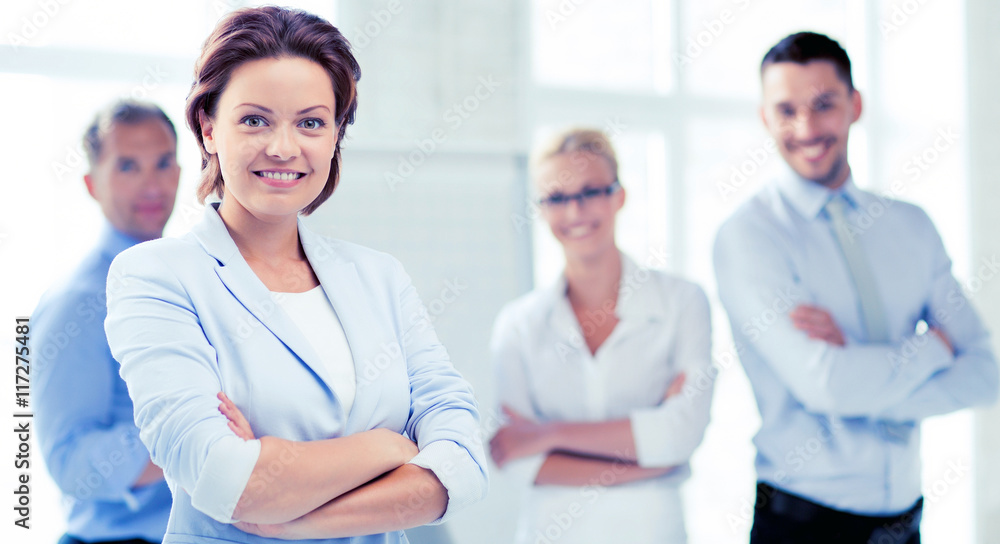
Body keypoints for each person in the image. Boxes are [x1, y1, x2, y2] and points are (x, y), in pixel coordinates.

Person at [103, 7, 487, 543]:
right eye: (255, 119)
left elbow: (465, 465)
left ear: (335, 136)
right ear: (209, 128)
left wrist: (291, 510)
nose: (283, 147)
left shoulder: (379, 277)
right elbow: (223, 481)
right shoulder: (156, 276)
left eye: (310, 122)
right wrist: (391, 447)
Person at [713, 31, 999, 543]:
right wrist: (931, 348)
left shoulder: (911, 226)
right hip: (802, 522)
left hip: (905, 521)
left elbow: (985, 371)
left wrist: (862, 382)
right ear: (764, 118)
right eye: (786, 110)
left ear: (856, 105)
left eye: (824, 105)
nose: (806, 128)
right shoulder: (749, 235)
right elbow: (827, 385)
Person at [489, 128, 714, 543]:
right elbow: (510, 455)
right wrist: (650, 458)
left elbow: (681, 434)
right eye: (557, 197)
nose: (575, 211)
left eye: (591, 191)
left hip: (651, 531)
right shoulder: (518, 325)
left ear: (619, 196)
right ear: (541, 208)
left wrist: (549, 435)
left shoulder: (682, 302)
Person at [33, 100, 180, 544]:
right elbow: (71, 464)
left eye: (164, 162)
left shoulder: (188, 284)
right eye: (128, 166)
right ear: (91, 184)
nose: (152, 184)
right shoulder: (76, 305)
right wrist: (194, 441)